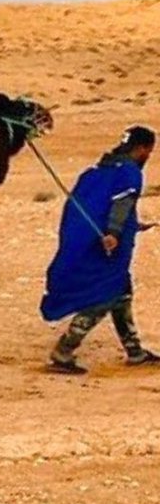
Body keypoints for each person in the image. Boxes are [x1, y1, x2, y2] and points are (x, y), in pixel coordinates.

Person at [43, 126, 160, 374]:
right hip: (106, 248)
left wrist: (132, 226)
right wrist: (115, 233)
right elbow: (121, 204)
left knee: (122, 294)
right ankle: (63, 351)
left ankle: (134, 351)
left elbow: (93, 206)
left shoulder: (96, 171)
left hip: (91, 242)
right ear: (141, 148)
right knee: (103, 296)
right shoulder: (129, 173)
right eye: (149, 150)